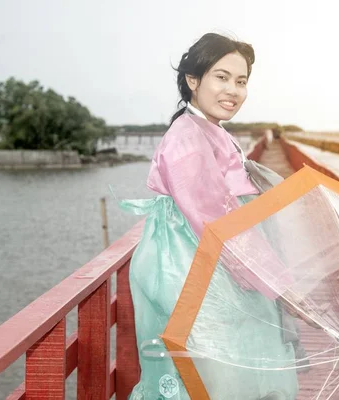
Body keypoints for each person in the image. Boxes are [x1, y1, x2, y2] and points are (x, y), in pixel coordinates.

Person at [121, 33, 300, 400]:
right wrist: (278, 284)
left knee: (227, 371)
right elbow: (216, 220)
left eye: (241, 80)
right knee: (216, 377)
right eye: (221, 77)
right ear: (193, 80)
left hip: (211, 262)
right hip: (191, 269)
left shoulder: (209, 128)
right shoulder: (187, 138)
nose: (232, 89)